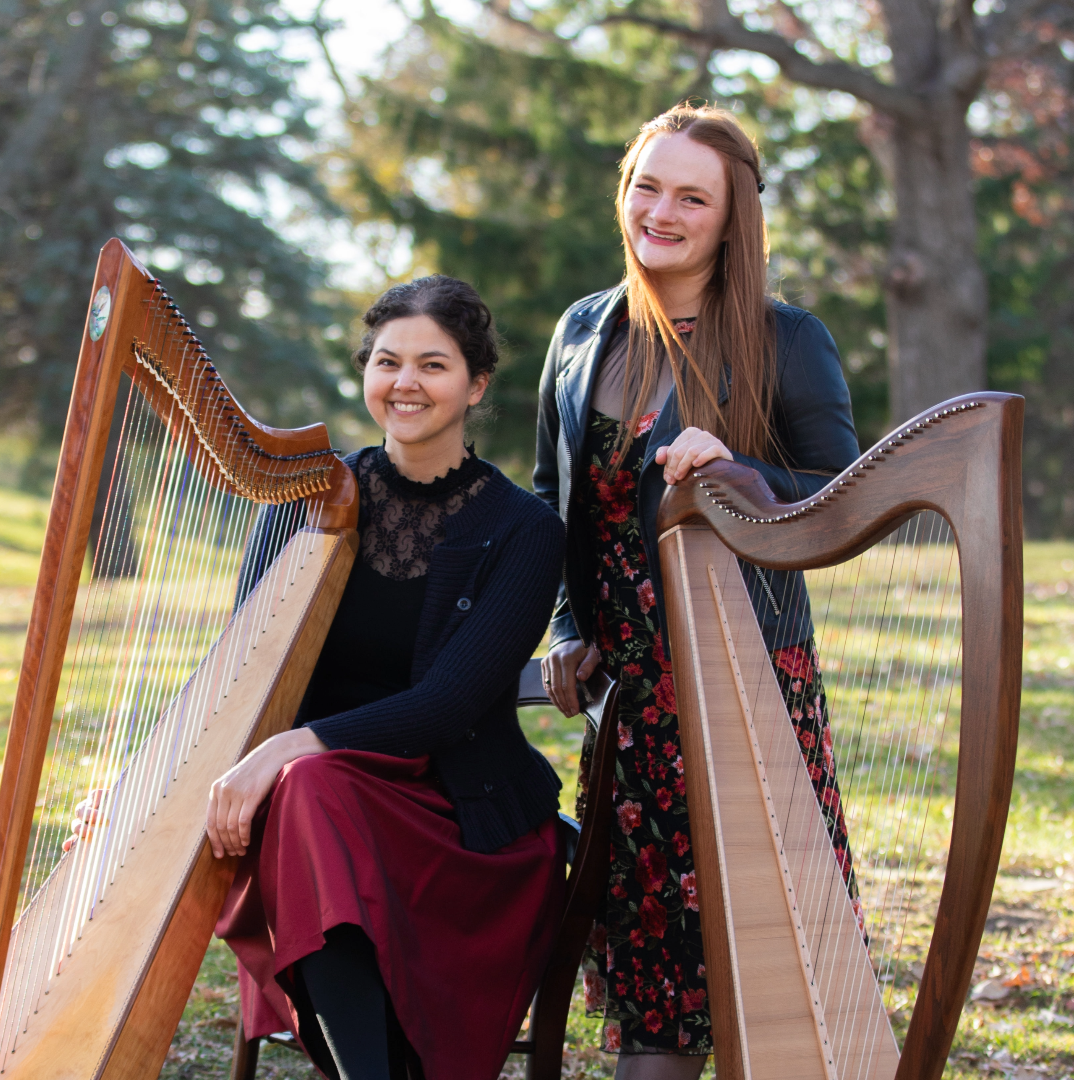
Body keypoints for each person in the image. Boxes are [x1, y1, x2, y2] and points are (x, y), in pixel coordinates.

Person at [535, 104, 862, 1076]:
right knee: (653, 984)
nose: (662, 211)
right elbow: (558, 506)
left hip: (744, 692)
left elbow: (845, 499)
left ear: (731, 218)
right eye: (647, 185)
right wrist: (564, 625)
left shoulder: (788, 338)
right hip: (630, 706)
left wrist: (745, 471)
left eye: (692, 195)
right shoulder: (582, 330)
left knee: (775, 974)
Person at [207, 276, 568, 1080]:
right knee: (308, 796)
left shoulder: (526, 531)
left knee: (307, 788)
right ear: (366, 371)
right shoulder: (301, 504)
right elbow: (242, 675)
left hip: (455, 820)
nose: (405, 382)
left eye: (433, 365)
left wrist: (287, 751)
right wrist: (142, 786)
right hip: (315, 814)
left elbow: (447, 706)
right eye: (386, 360)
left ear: (476, 385)